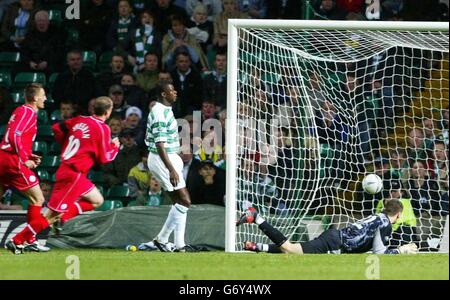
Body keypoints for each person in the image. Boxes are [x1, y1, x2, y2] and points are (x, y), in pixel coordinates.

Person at [5, 97, 121, 255]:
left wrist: (66, 144)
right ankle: (17, 240)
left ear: (94, 109)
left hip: (73, 172)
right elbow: (104, 158)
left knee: (97, 200)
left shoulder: (80, 119)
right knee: (50, 216)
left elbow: (57, 128)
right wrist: (114, 147)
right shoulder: (103, 128)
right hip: (73, 174)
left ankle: (64, 217)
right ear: (108, 112)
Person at [238, 199, 418, 254]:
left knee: (296, 250)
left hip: (335, 239)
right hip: (335, 243)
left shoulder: (377, 216)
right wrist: (402, 250)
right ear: (399, 214)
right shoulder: (386, 224)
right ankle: (256, 217)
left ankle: (256, 247)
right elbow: (380, 253)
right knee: (291, 248)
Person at [0, 83, 50, 252]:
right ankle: (29, 240)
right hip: (12, 160)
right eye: (43, 95)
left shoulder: (20, 110)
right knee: (38, 199)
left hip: (4, 158)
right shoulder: (28, 111)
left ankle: (29, 240)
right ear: (35, 98)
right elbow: (15, 135)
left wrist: (28, 155)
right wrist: (23, 159)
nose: (45, 98)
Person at [143, 81, 193, 252]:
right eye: (171, 90)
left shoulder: (165, 110)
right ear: (163, 94)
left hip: (166, 158)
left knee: (178, 203)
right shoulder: (158, 112)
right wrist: (171, 168)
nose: (175, 92)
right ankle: (170, 242)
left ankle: (171, 242)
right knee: (185, 200)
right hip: (161, 159)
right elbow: (159, 144)